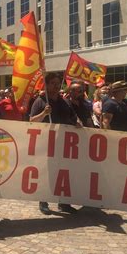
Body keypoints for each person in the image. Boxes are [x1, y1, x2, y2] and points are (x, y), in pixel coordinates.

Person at [29, 73, 80, 215]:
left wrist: (78, 124)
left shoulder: (65, 102)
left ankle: (64, 203)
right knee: (47, 173)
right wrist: (44, 114)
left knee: (63, 174)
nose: (57, 86)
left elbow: (73, 118)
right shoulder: (40, 101)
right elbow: (32, 121)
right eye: (53, 83)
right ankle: (43, 201)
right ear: (46, 85)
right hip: (46, 144)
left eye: (58, 83)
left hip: (64, 144)